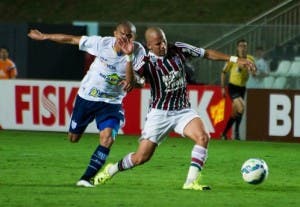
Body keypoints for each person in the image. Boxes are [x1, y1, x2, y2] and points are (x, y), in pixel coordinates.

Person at [93, 27, 256, 190]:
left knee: (203, 137)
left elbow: (206, 53)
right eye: (158, 44)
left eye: (163, 41)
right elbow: (136, 82)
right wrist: (129, 58)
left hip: (182, 110)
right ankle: (112, 169)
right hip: (159, 113)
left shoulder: (177, 48)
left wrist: (235, 59)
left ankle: (190, 182)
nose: (163, 45)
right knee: (141, 158)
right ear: (149, 45)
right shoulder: (145, 62)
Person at [27, 21, 146, 187]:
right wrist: (45, 36)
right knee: (73, 138)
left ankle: (86, 178)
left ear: (134, 37)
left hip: (111, 102)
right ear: (114, 33)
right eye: (122, 34)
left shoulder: (139, 51)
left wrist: (129, 60)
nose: (125, 38)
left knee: (108, 139)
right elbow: (71, 39)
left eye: (129, 35)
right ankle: (80, 149)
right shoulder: (102, 43)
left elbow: (139, 82)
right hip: (87, 98)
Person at [220, 39, 256, 140]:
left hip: (242, 88)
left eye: (244, 46)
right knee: (241, 108)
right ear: (237, 47)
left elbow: (254, 72)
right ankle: (236, 133)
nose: (243, 48)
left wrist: (252, 71)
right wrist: (222, 88)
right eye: (241, 46)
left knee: (234, 113)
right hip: (232, 87)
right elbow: (223, 72)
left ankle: (223, 134)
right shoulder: (233, 59)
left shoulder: (250, 59)